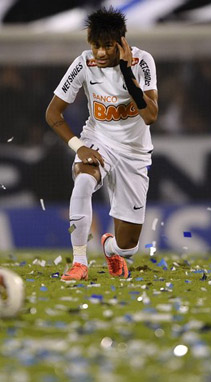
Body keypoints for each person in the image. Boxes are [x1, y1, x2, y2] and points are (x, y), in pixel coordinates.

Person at [45, 7, 158, 280]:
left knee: (128, 247)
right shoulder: (84, 63)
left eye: (108, 46)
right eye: (96, 45)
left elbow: (150, 115)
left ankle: (110, 248)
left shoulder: (143, 62)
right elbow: (52, 113)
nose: (101, 53)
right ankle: (80, 262)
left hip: (134, 153)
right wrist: (78, 146)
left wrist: (125, 71)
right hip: (98, 141)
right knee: (83, 181)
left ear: (122, 42)